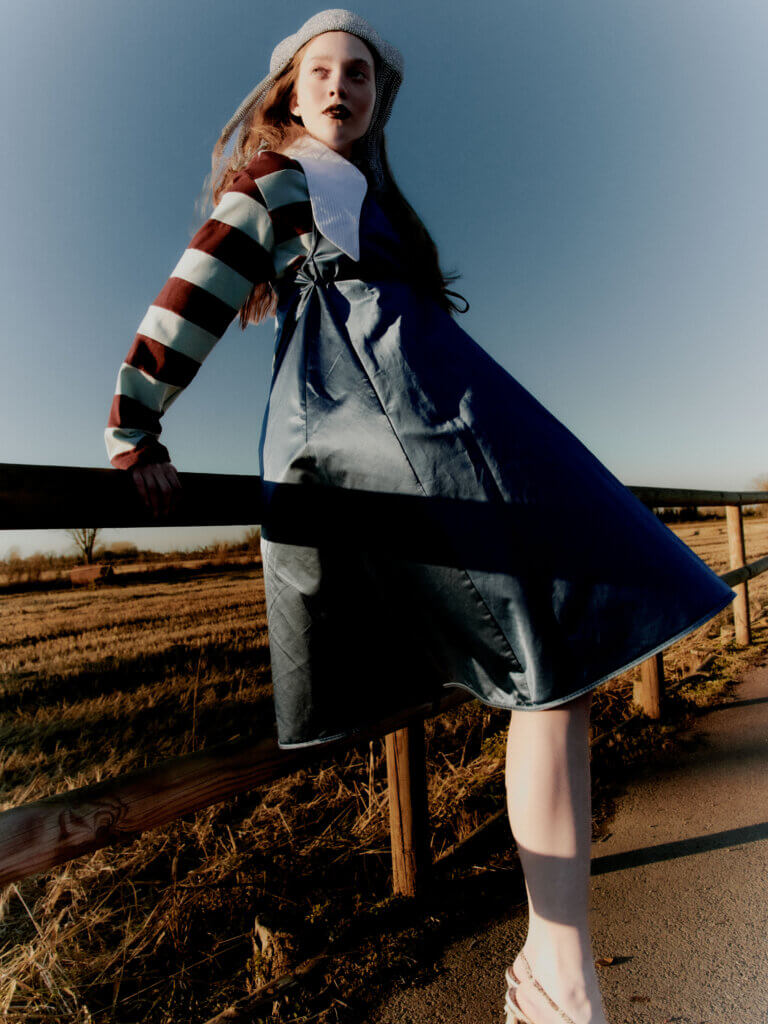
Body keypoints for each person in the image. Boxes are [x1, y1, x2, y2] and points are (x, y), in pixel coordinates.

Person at [104, 10, 736, 1023]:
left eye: (358, 73)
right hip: (369, 415)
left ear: (373, 96)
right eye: (321, 71)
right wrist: (134, 425)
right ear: (289, 92)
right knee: (543, 651)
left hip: (438, 403)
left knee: (555, 650)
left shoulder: (377, 194)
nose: (341, 86)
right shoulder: (278, 177)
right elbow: (196, 291)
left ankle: (557, 971)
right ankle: (558, 977)